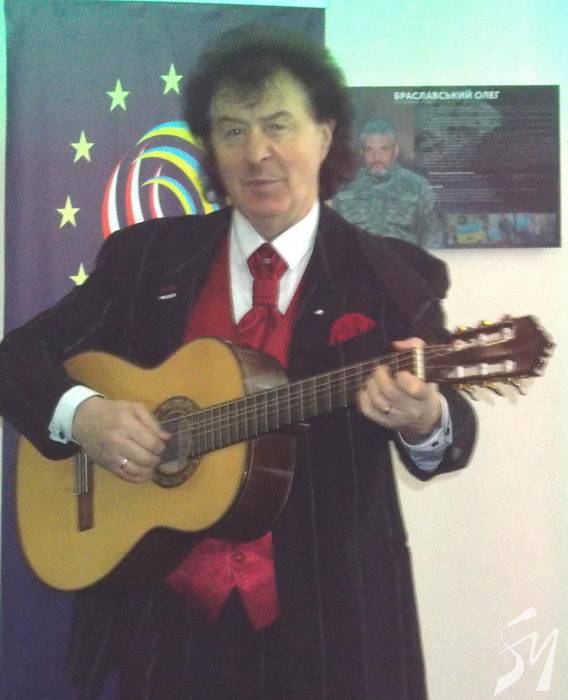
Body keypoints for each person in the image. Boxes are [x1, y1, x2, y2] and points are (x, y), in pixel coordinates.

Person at [0, 27, 476, 699]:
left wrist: (424, 419)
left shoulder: (391, 276)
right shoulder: (145, 259)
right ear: (209, 148)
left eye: (278, 125)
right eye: (232, 131)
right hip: (166, 624)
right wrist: (84, 417)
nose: (257, 153)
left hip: (331, 627)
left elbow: (450, 430)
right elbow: (16, 360)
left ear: (324, 135)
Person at [333, 118, 445, 248]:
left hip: (403, 260)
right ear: (361, 152)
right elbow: (332, 237)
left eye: (383, 149)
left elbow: (434, 236)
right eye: (369, 150)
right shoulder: (344, 188)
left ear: (395, 151)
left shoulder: (418, 187)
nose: (376, 157)